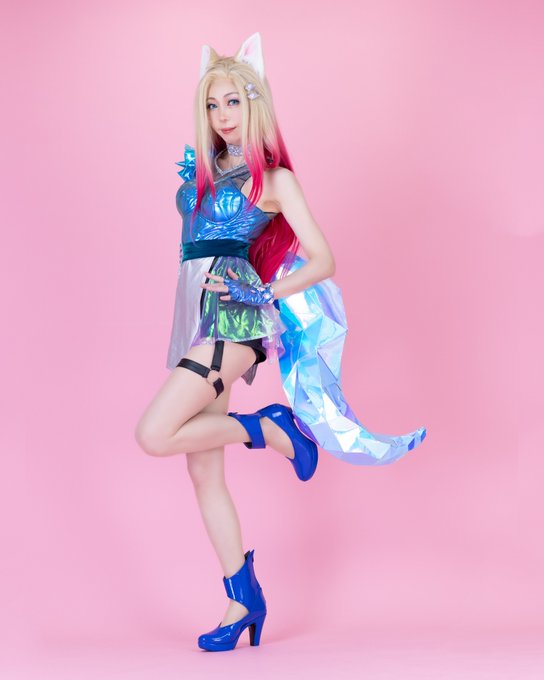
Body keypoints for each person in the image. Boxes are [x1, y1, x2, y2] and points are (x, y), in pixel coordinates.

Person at [135, 32, 426, 652]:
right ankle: (243, 600)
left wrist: (263, 292)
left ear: (256, 103)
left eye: (233, 102)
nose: (223, 116)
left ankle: (270, 428)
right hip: (196, 320)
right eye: (212, 104)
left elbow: (323, 258)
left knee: (154, 433)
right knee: (202, 469)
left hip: (233, 322)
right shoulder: (208, 172)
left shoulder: (274, 179)